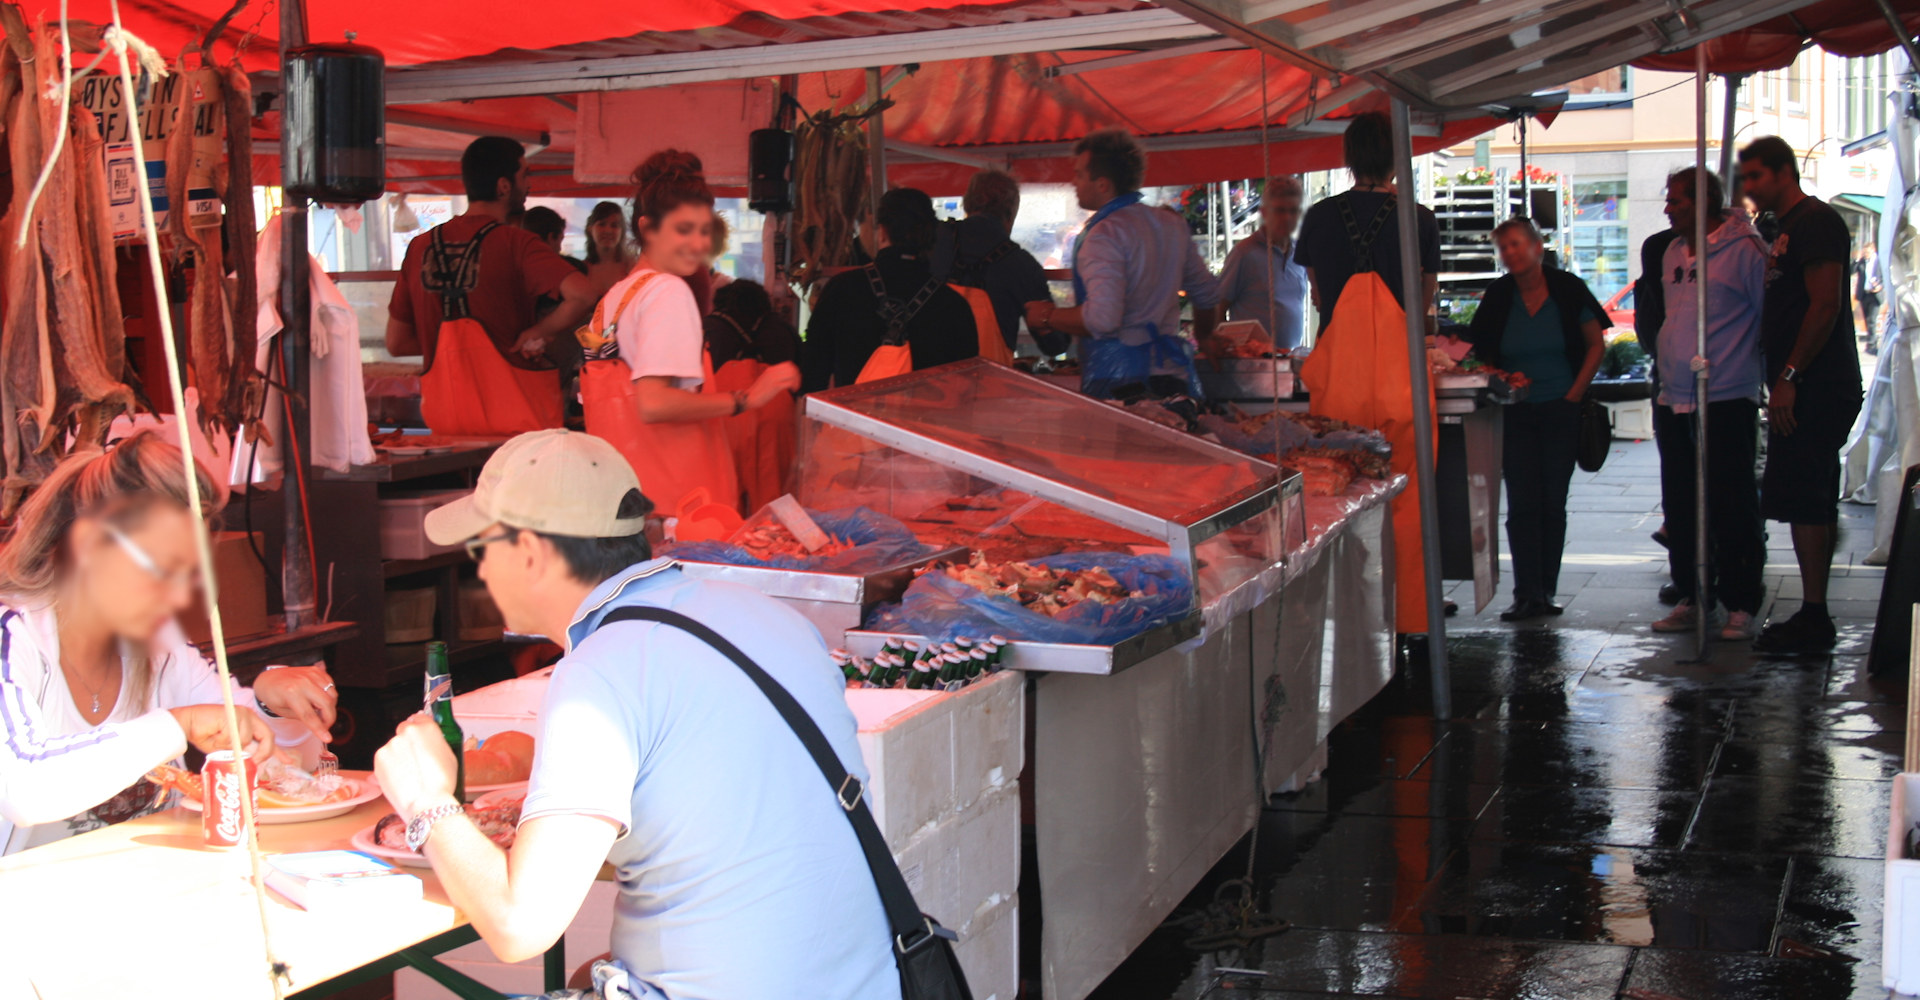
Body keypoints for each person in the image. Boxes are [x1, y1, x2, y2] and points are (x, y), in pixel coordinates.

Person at [373, 430, 899, 999]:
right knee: (585, 974)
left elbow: (519, 926)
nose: (480, 572)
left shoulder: (600, 673)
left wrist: (427, 802)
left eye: (484, 549)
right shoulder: (765, 615)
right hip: (869, 986)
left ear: (529, 552)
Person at [0, 434, 337, 856]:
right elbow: (23, 789)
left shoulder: (159, 646)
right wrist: (177, 725)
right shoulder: (13, 638)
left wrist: (273, 705)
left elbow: (279, 762)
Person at [578, 152, 797, 518]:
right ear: (648, 228)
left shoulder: (612, 299)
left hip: (624, 506)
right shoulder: (667, 291)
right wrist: (746, 399)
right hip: (680, 509)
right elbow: (654, 404)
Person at [1739, 136, 1864, 653]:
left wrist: (1790, 374)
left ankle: (1816, 615)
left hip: (1817, 383)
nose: (1747, 187)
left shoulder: (1814, 223)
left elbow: (1826, 304)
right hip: (1798, 383)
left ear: (1783, 173)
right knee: (1800, 496)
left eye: (1755, 177)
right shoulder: (1783, 227)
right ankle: (1812, 610)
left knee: (1811, 494)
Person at [388, 137, 596, 437]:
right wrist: (538, 332)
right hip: (517, 421)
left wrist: (453, 347)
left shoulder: (420, 247)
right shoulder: (517, 243)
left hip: (447, 423)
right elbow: (584, 294)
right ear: (503, 186)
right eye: (525, 176)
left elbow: (396, 342)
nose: (529, 186)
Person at [1647, 168, 1769, 641]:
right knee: (1680, 500)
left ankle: (1740, 599)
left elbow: (1767, 316)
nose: (1667, 208)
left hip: (1725, 394)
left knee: (1730, 498)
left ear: (1703, 202)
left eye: (1676, 201)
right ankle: (1693, 592)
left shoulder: (1745, 250)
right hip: (1675, 393)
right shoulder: (1672, 251)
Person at [1465, 218, 1606, 622]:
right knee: (1523, 501)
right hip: (1515, 410)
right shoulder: (1499, 296)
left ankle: (1547, 588)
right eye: (1503, 247)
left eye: (1515, 244)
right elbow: (1482, 354)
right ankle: (1526, 592)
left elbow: (1596, 343)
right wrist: (1506, 377)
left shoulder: (1566, 288)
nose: (1509, 253)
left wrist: (1574, 394)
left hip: (1561, 407)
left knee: (1552, 501)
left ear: (1536, 246)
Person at [1027, 129, 1220, 400]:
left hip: (1119, 383)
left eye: (1080, 174)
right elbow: (1208, 293)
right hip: (1171, 376)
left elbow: (1103, 320)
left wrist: (1047, 316)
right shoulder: (1170, 224)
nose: (1073, 182)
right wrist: (1205, 335)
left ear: (1103, 184)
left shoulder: (1105, 234)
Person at [801, 188, 979, 392]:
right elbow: (967, 388)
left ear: (882, 232)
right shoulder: (954, 305)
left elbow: (812, 376)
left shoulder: (841, 290)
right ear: (931, 236)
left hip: (854, 421)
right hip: (925, 422)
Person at [1295, 112, 1441, 339]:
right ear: (1397, 157)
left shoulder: (1318, 216)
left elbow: (1320, 298)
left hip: (1337, 354)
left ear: (1349, 158)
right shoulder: (1420, 219)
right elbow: (1423, 303)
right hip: (1396, 354)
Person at [931, 169, 1064, 357]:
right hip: (988, 381)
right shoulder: (1021, 264)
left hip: (928, 378)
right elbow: (1055, 344)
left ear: (967, 204)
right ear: (1010, 214)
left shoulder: (930, 241)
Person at [706, 280, 802, 512]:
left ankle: (727, 543)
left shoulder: (708, 327)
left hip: (725, 413)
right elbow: (800, 378)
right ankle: (772, 542)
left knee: (724, 496)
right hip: (776, 415)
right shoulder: (782, 327)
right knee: (773, 500)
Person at [1638, 223, 1686, 608]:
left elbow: (1646, 331)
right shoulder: (1660, 248)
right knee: (1683, 476)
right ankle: (1690, 571)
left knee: (1678, 477)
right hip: (1679, 380)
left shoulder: (1658, 248)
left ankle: (1686, 572)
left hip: (1674, 378)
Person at [1216, 175, 1310, 350]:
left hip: (1288, 361)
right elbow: (1217, 308)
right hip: (1253, 365)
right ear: (1264, 212)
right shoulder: (1244, 254)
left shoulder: (1300, 254)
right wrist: (1232, 349)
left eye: (1294, 211)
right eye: (1280, 211)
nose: (1287, 218)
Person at [583, 200, 639, 298]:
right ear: (590, 229)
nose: (608, 230)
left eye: (614, 225)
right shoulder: (581, 269)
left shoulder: (633, 267)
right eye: (602, 224)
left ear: (622, 231)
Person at [1857, 245, 1883, 355]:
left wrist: (1880, 285)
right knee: (1867, 319)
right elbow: (1852, 270)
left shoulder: (1879, 261)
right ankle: (1870, 342)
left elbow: (1885, 275)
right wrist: (1857, 260)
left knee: (1872, 319)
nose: (1865, 254)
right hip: (1865, 294)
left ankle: (1872, 344)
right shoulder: (1862, 262)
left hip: (1875, 295)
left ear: (1873, 251)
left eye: (1867, 252)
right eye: (1864, 252)